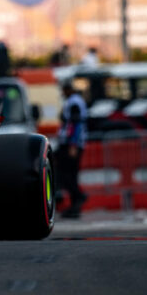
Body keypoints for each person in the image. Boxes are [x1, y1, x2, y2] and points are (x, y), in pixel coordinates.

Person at [57, 81, 88, 218]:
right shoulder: (74, 101)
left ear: (68, 90)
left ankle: (79, 196)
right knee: (72, 175)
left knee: (66, 174)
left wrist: (73, 145)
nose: (62, 94)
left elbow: (75, 124)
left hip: (71, 144)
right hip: (71, 142)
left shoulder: (74, 102)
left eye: (63, 90)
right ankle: (75, 207)